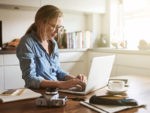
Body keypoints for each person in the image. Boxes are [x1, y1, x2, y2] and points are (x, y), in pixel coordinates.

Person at [16, 5, 86, 90]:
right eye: (53, 26)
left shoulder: (53, 43)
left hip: (55, 91)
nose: (57, 32)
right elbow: (30, 79)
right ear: (40, 23)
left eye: (59, 27)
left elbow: (57, 71)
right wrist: (61, 84)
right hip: (37, 93)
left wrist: (75, 79)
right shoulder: (27, 42)